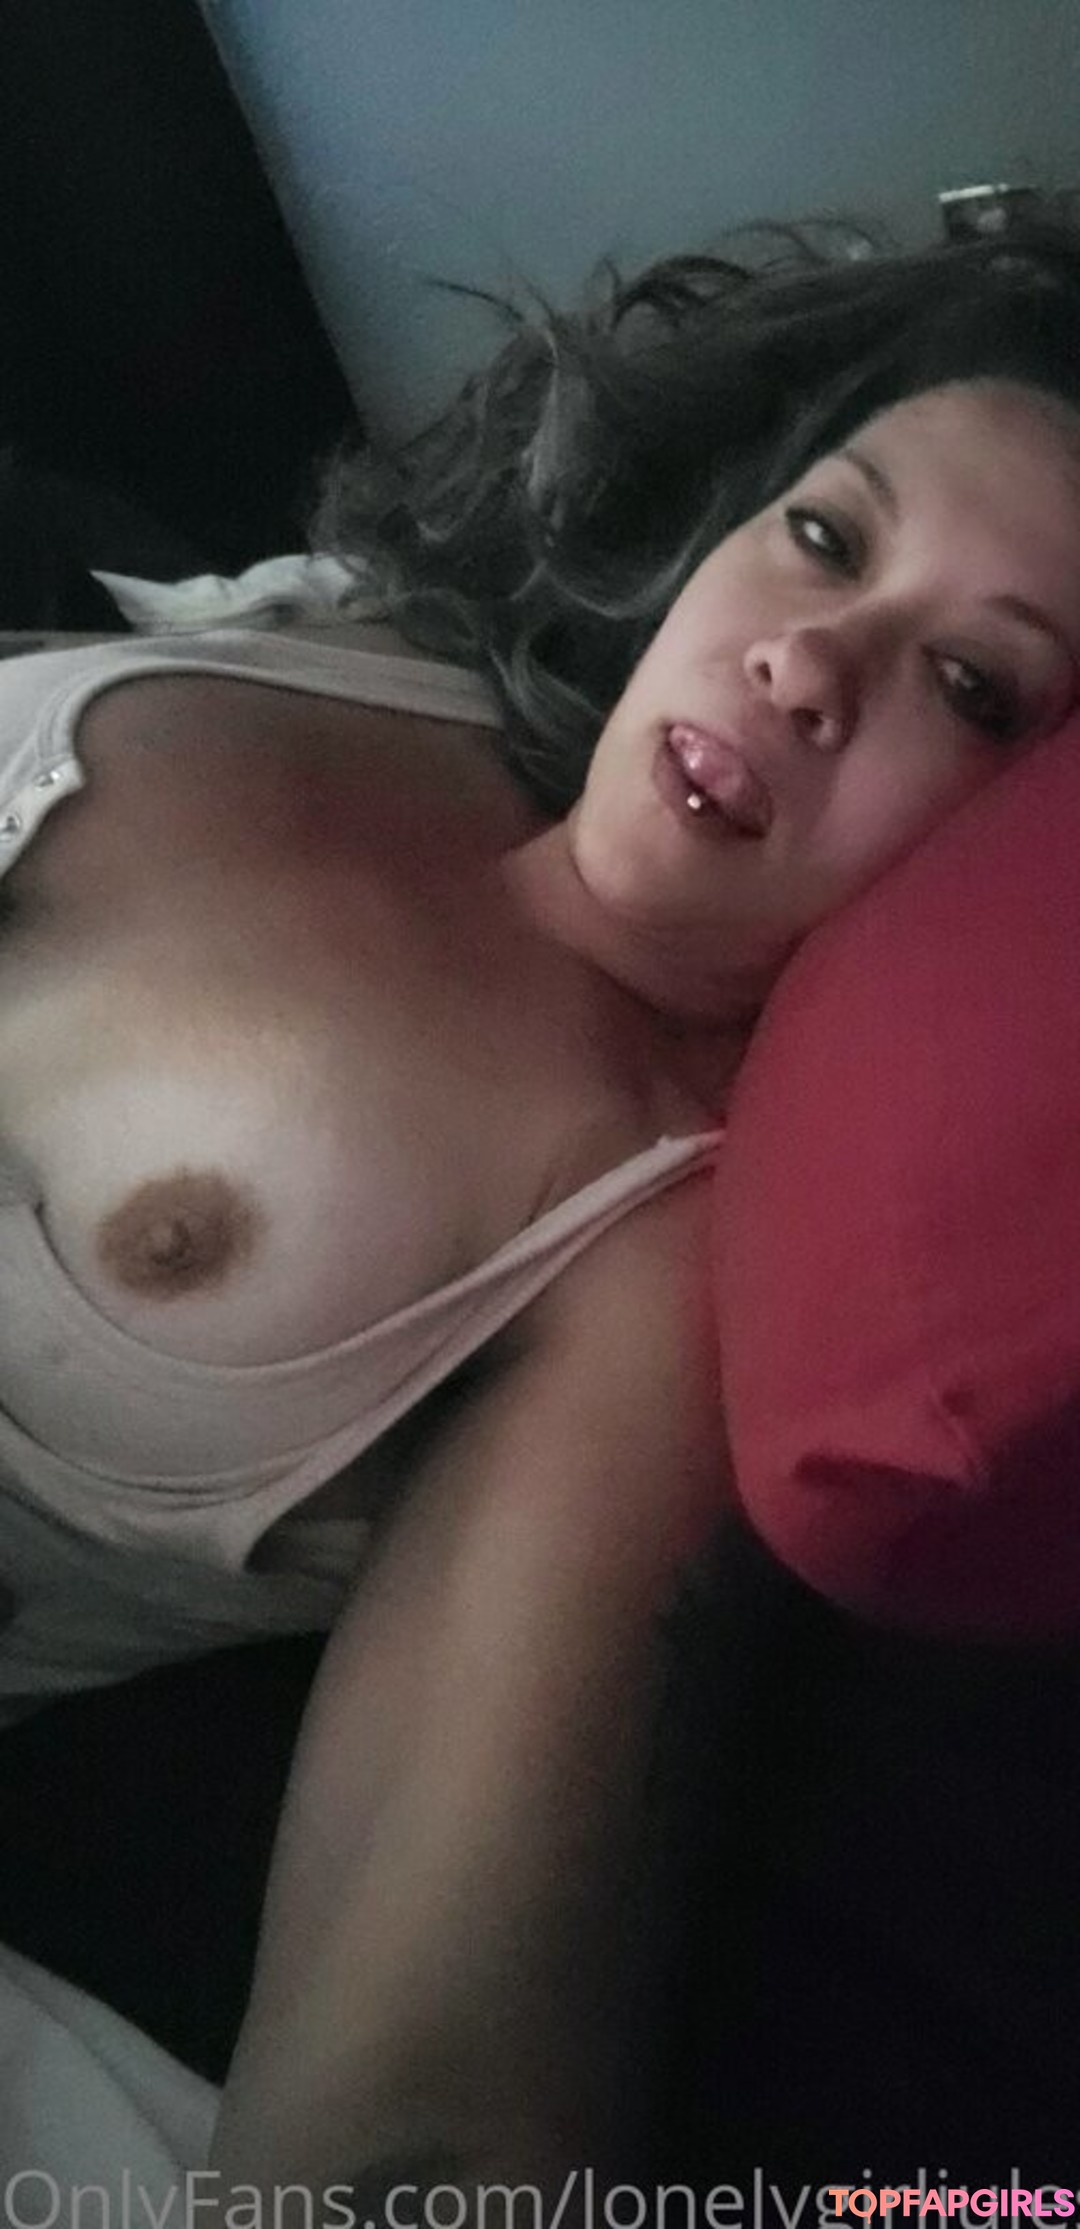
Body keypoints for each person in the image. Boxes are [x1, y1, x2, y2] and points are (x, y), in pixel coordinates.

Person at [3, 219, 1080, 2201]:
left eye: (969, 682)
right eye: (827, 536)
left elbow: (421, 2085)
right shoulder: (386, 651)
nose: (809, 661)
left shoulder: (642, 1254)